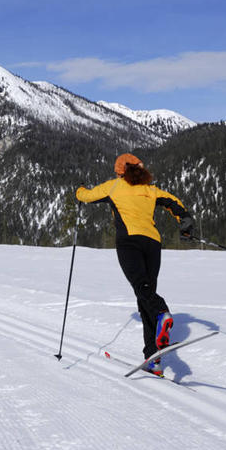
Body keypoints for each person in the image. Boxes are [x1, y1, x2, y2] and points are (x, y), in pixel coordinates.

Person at [76, 153, 194, 376]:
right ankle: (153, 357)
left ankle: (163, 311)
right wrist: (185, 224)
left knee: (143, 290)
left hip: (129, 243)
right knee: (145, 295)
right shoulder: (151, 190)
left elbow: (87, 196)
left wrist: (79, 189)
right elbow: (175, 204)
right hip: (153, 245)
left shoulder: (114, 187)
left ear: (121, 171)